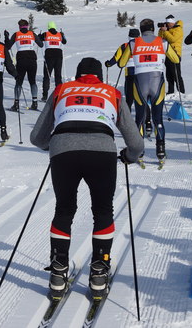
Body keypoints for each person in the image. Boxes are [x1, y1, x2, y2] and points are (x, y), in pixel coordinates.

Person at [30, 57, 144, 300]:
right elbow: (136, 143)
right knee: (103, 211)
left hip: (63, 150)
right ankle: (99, 274)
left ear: (77, 74)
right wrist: (130, 156)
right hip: (101, 151)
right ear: (99, 77)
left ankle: (58, 273)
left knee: (64, 210)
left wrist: (53, 146)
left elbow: (37, 137)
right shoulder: (112, 92)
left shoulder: (61, 90)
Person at [118, 19, 180, 161]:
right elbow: (176, 59)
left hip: (140, 83)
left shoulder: (134, 43)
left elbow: (121, 63)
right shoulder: (162, 42)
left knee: (139, 119)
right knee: (158, 119)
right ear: (153, 29)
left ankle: (139, 151)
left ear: (141, 30)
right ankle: (161, 150)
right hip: (157, 83)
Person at [6, 19, 43, 111]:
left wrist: (6, 37)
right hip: (32, 59)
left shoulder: (16, 34)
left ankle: (16, 104)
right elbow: (41, 45)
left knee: (19, 82)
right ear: (27, 26)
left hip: (21, 59)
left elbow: (8, 47)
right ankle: (35, 103)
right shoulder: (32, 34)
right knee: (32, 81)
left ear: (19, 26)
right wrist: (38, 38)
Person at [39, 21, 67, 101]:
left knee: (47, 76)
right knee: (58, 76)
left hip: (49, 55)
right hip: (58, 55)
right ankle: (59, 95)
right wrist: (63, 35)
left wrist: (39, 35)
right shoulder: (59, 34)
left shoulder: (45, 34)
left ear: (48, 27)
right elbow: (64, 42)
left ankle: (45, 96)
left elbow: (39, 40)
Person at [158, 15, 185, 94]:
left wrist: (166, 31)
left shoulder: (178, 29)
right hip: (167, 54)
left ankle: (181, 92)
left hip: (175, 54)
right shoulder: (167, 29)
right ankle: (171, 91)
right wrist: (161, 30)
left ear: (173, 23)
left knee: (176, 75)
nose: (168, 25)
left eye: (169, 23)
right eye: (167, 23)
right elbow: (160, 39)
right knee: (169, 75)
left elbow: (173, 39)